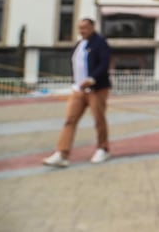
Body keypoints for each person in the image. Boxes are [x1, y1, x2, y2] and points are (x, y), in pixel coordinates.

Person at [43, 18, 112, 167]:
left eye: (85, 28)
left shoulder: (100, 43)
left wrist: (92, 79)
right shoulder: (79, 44)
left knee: (98, 119)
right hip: (78, 90)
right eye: (80, 28)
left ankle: (103, 148)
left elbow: (104, 63)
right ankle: (62, 153)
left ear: (93, 27)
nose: (82, 31)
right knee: (70, 120)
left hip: (96, 89)